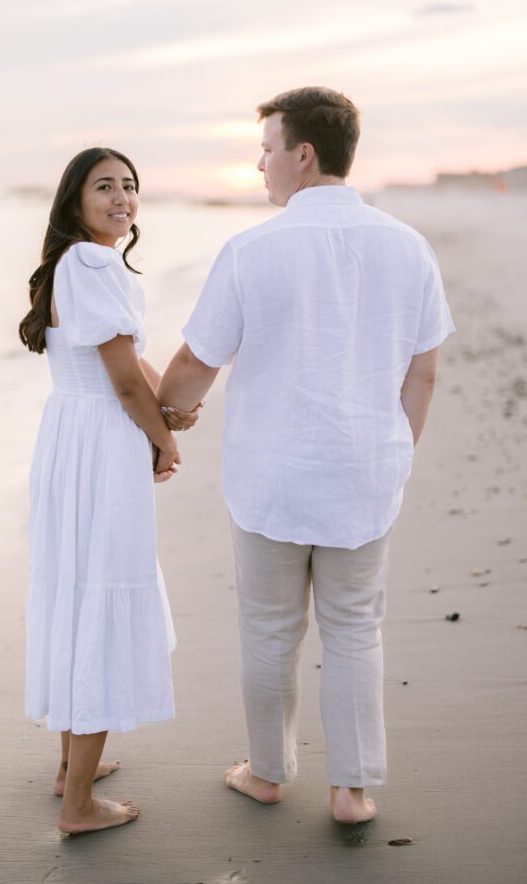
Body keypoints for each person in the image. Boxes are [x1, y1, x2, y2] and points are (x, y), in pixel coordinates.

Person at [157, 87, 455, 824]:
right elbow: (423, 371)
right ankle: (350, 791)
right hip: (364, 473)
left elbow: (198, 358)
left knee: (268, 627)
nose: (258, 165)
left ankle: (266, 773)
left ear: (302, 154)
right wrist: (391, 450)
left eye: (265, 149)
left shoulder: (253, 248)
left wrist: (165, 418)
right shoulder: (406, 245)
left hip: (272, 475)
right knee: (354, 626)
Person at [19, 147, 198, 835]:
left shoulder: (77, 265)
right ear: (74, 203)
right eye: (104, 187)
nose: (121, 197)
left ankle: (72, 768)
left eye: (129, 186)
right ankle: (78, 806)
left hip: (72, 437)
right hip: (100, 441)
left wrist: (166, 407)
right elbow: (122, 381)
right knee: (101, 593)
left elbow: (127, 361)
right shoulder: (93, 263)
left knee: (75, 587)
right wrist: (163, 436)